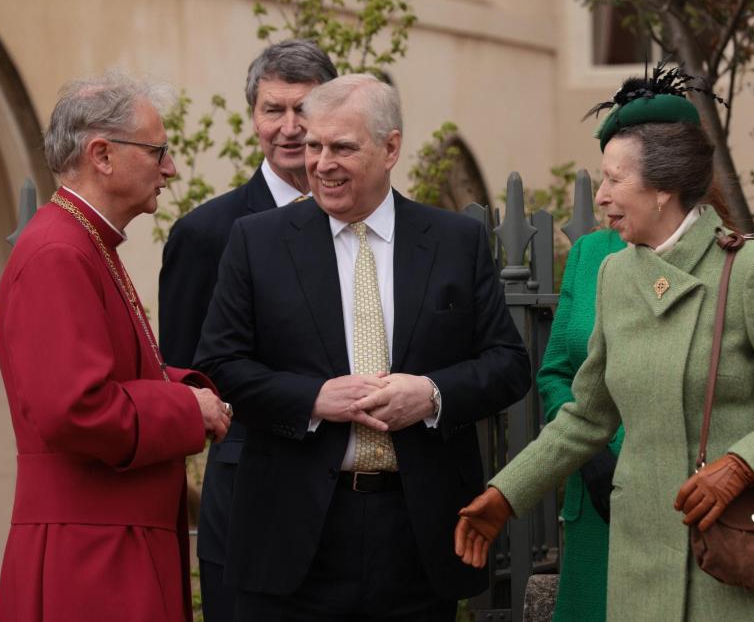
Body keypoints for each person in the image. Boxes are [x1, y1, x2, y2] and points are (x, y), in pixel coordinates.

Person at [454, 62, 754, 621]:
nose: (603, 197)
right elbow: (587, 417)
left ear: (663, 189)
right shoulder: (615, 275)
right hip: (639, 569)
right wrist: (506, 494)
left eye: (615, 180)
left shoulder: (752, 271)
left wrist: (742, 464)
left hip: (734, 562)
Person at [194, 73, 531, 622]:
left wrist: (431, 394)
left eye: (342, 147)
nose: (321, 163)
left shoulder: (453, 242)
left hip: (417, 534)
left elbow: (508, 366)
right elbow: (219, 367)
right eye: (314, 146)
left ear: (391, 147)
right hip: (293, 535)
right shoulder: (257, 242)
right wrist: (313, 399)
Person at [0, 72, 231, 622]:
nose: (169, 167)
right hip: (89, 553)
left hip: (109, 538)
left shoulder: (85, 241)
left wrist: (189, 389)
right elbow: (75, 408)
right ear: (102, 154)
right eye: (158, 151)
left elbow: (114, 371)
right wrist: (184, 408)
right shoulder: (60, 252)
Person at [158, 39, 337, 622]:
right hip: (253, 494)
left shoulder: (371, 222)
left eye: (304, 109)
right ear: (252, 117)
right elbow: (185, 372)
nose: (289, 127)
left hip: (361, 501)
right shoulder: (206, 233)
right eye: (273, 109)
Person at [537, 228, 625, 622]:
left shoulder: (726, 253)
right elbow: (554, 374)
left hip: (685, 496)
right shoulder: (590, 251)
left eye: (617, 177)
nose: (603, 194)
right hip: (596, 505)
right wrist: (589, 453)